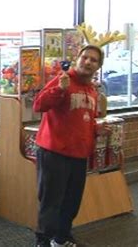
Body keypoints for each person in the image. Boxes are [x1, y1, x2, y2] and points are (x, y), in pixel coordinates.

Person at [33, 45, 110, 247]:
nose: (88, 62)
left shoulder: (92, 90)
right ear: (77, 59)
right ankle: (43, 240)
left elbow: (86, 119)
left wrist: (97, 129)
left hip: (79, 154)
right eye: (85, 57)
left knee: (71, 202)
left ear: (98, 66)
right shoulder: (63, 80)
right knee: (51, 201)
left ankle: (61, 238)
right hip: (54, 152)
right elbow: (39, 105)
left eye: (93, 60)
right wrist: (60, 89)